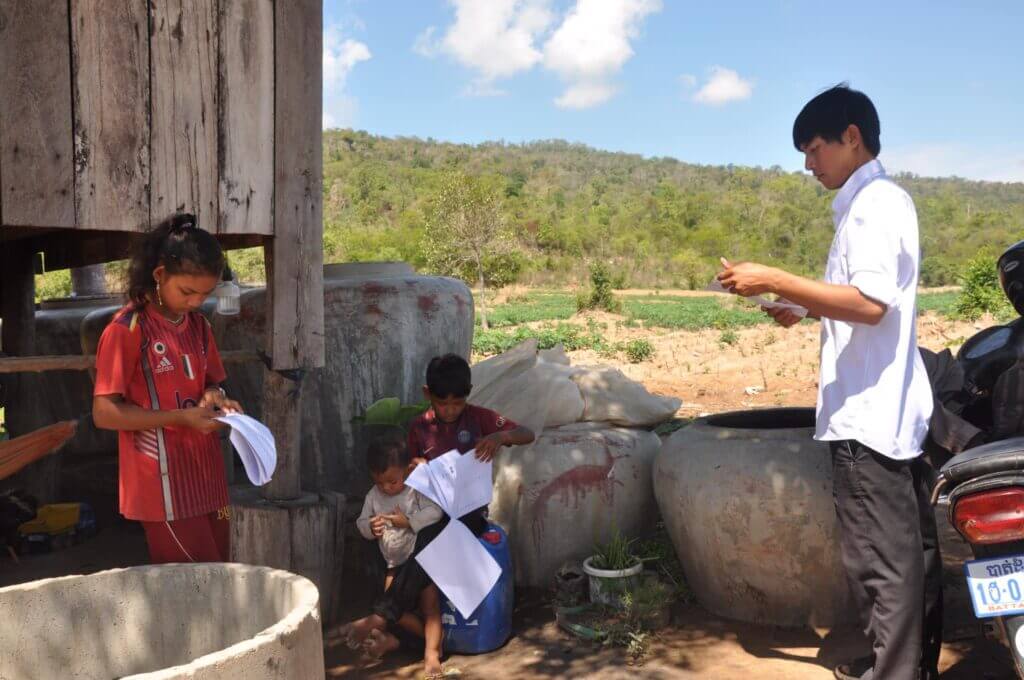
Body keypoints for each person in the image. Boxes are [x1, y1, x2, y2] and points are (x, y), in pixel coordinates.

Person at [717, 84, 941, 680]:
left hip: (868, 418)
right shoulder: (875, 203)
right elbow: (863, 302)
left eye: (813, 149)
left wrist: (776, 278)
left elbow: (870, 305)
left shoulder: (874, 204)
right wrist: (805, 309)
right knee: (904, 560)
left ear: (851, 137)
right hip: (886, 413)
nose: (808, 164)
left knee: (881, 567)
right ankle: (906, 667)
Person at [92, 213, 242, 564]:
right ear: (159, 275)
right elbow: (104, 412)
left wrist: (216, 397)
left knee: (223, 569)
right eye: (187, 292)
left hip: (209, 481)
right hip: (162, 488)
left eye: (204, 294)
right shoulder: (127, 330)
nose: (194, 302)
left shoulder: (199, 326)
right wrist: (180, 418)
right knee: (198, 581)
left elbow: (212, 381)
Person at [343, 429, 445, 674]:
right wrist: (370, 527)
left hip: (420, 565)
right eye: (379, 482)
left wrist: (409, 521)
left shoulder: (414, 490)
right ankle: (394, 640)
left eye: (392, 481)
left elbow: (436, 512)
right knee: (394, 612)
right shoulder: (373, 496)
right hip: (392, 564)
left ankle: (432, 655)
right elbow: (361, 523)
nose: (387, 488)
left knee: (431, 610)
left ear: (408, 470)